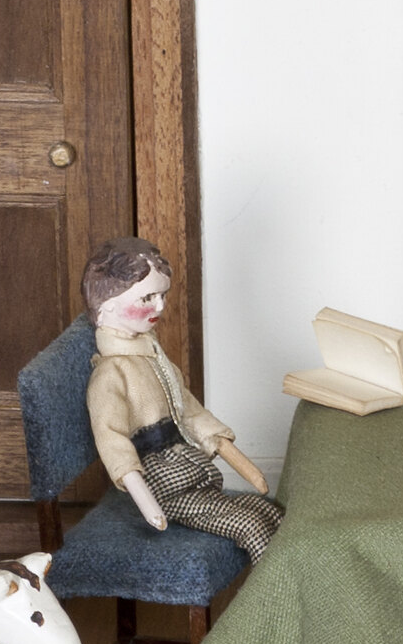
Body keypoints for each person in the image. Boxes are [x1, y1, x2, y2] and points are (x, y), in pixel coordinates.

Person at [81, 237, 283, 560]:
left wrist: (234, 456)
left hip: (189, 469)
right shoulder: (110, 375)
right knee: (251, 525)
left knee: (270, 513)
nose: (160, 306)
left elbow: (186, 407)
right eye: (147, 298)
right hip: (162, 483)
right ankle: (273, 591)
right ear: (109, 306)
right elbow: (112, 439)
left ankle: (295, 584)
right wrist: (148, 504)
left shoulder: (154, 359)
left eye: (162, 296)